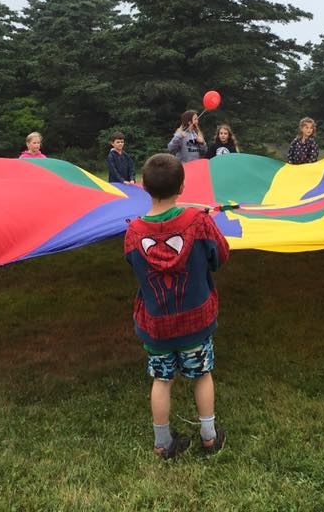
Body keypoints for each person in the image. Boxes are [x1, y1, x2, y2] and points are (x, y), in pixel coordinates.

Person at [124, 153, 230, 458]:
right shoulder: (199, 222)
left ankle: (163, 442)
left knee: (162, 379)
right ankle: (209, 437)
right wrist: (205, 224)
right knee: (202, 374)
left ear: (143, 186)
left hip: (156, 323)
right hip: (195, 321)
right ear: (182, 186)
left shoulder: (133, 232)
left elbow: (133, 263)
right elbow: (220, 256)